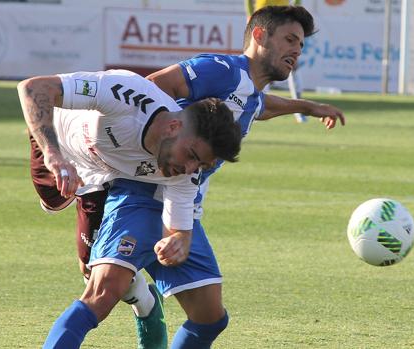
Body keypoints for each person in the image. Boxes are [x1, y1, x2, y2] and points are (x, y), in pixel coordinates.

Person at [56, 5, 346, 348]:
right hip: (143, 190)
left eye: (300, 44)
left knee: (210, 317)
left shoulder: (247, 92)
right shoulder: (221, 70)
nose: (297, 50)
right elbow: (151, 91)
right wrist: (154, 156)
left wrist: (308, 107)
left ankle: (143, 299)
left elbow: (259, 107)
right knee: (100, 294)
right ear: (259, 35)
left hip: (182, 203)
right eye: (290, 39)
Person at [17, 69, 243, 349]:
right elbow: (32, 87)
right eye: (192, 156)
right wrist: (53, 155)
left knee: (102, 286)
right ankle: (141, 294)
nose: (189, 169)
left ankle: (144, 305)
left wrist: (179, 240)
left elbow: (180, 225)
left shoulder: (185, 171)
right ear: (173, 127)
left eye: (200, 166)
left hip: (109, 181)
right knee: (78, 250)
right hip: (59, 148)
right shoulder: (126, 93)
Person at [246, 0, 307, 122]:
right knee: (261, 62)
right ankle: (257, 107)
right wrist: (250, 14)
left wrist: (295, 13)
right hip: (263, 20)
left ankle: (299, 111)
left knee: (292, 64)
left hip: (284, 22)